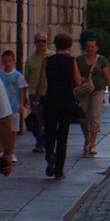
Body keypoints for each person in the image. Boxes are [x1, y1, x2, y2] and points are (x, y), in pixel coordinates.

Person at [38, 33, 81, 179]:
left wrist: (37, 101)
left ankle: (50, 154)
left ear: (55, 45)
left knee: (49, 132)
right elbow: (77, 81)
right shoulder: (71, 61)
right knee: (63, 136)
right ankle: (59, 171)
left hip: (51, 100)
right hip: (66, 101)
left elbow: (42, 83)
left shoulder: (47, 61)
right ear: (69, 46)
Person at [75, 36, 110, 156]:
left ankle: (93, 143)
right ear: (85, 48)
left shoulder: (101, 60)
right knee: (83, 117)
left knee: (94, 116)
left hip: (98, 90)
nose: (90, 49)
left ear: (96, 48)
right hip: (84, 91)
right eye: (88, 47)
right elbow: (74, 76)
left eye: (92, 47)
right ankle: (87, 138)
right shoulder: (79, 60)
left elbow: (107, 77)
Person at [24, 32, 52, 153]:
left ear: (47, 42)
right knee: (37, 119)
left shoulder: (52, 56)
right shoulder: (30, 59)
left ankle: (46, 141)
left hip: (49, 92)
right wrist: (24, 95)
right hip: (34, 93)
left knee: (48, 120)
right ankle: (39, 142)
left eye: (43, 41)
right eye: (38, 41)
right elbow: (26, 79)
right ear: (35, 43)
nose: (41, 43)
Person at [0, 51, 27, 162]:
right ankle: (1, 150)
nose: (7, 63)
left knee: (12, 130)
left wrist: (21, 104)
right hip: (3, 106)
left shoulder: (17, 76)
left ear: (13, 61)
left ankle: (10, 152)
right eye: (5, 61)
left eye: (9, 61)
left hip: (14, 106)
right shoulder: (0, 75)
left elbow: (21, 90)